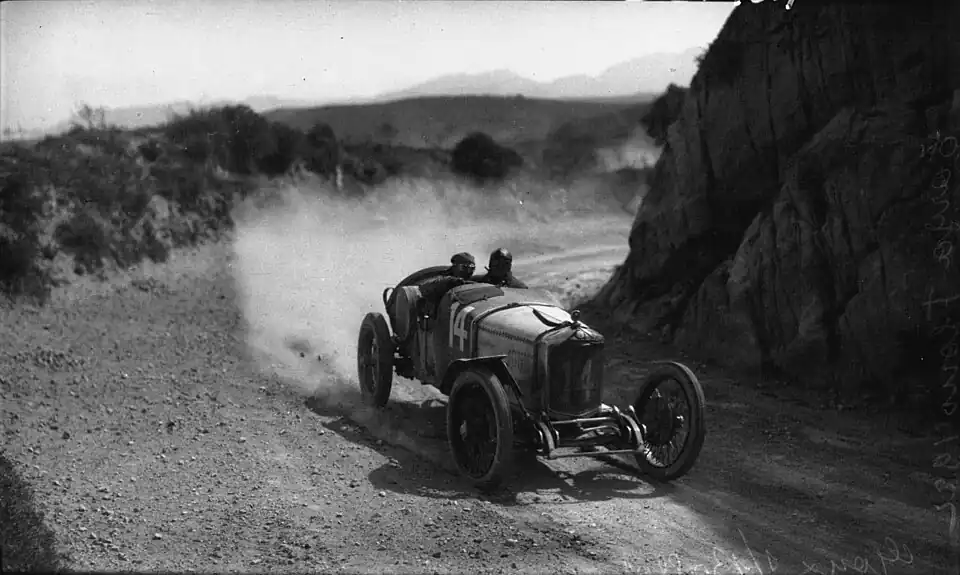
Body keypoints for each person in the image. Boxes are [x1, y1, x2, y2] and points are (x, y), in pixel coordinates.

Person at [417, 252, 476, 318]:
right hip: (438, 316)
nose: (468, 271)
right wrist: (451, 281)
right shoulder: (442, 279)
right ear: (455, 267)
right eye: (464, 267)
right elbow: (424, 287)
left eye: (472, 268)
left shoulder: (469, 281)